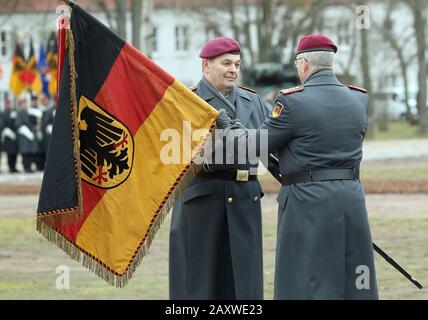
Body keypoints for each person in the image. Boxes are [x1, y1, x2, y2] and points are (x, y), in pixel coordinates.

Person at [216, 34, 378, 300]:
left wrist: (227, 124)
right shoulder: (358, 99)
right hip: (351, 198)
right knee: (353, 276)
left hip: (307, 200)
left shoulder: (292, 101)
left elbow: (254, 147)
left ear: (303, 64)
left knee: (304, 276)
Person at [169, 37, 280, 300]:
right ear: (206, 66)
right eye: (226, 63)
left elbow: (269, 152)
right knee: (198, 284)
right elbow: (172, 156)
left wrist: (303, 181)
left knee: (244, 284)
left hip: (244, 199)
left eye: (237, 64)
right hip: (201, 202)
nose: (233, 69)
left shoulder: (253, 102)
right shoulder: (188, 102)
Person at [16, 97, 40, 173]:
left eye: (25, 103)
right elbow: (18, 124)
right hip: (24, 136)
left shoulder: (29, 111)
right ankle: (26, 167)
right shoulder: (19, 112)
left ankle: (29, 167)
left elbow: (34, 122)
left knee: (30, 152)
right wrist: (27, 132)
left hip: (30, 136)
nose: (24, 104)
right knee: (25, 153)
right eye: (23, 103)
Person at [0, 99, 19, 173]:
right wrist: (7, 131)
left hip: (14, 135)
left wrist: (14, 118)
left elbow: (16, 123)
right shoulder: (2, 113)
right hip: (8, 135)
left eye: (9, 103)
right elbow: (2, 124)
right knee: (9, 152)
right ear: (5, 104)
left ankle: (14, 167)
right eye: (7, 103)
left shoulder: (13, 112)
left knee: (15, 152)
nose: (8, 105)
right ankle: (10, 167)